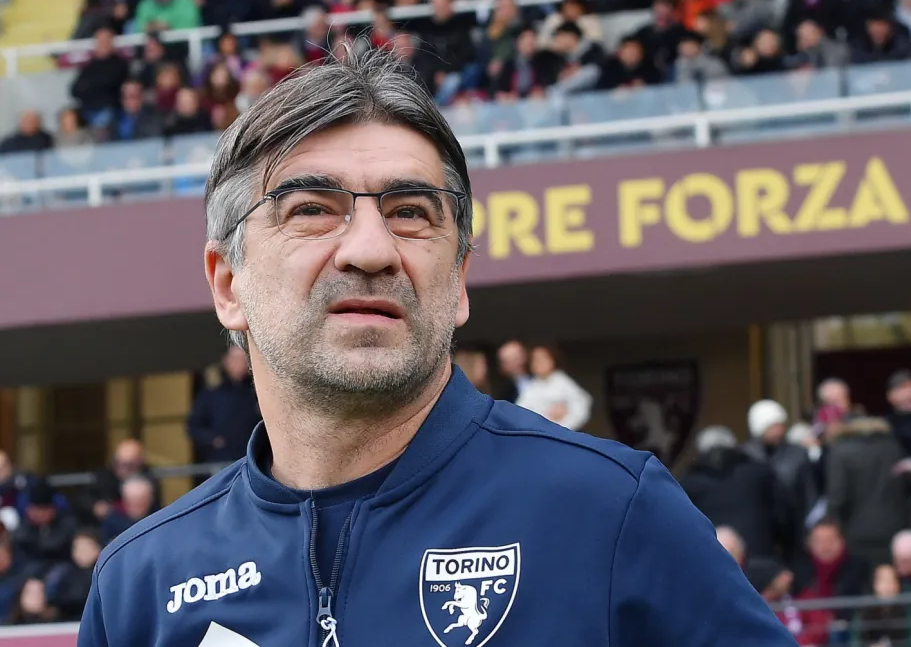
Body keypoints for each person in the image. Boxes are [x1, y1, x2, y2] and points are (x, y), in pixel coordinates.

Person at [79, 47, 796, 647]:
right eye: (310, 209)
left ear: (456, 281)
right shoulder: (140, 585)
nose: (368, 249)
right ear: (227, 282)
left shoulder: (611, 512)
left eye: (411, 213)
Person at [680, 426, 795, 563]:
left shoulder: (688, 483)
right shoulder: (758, 472)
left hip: (712, 563)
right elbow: (783, 514)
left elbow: (683, 530)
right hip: (760, 561)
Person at [825, 417, 911, 567]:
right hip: (895, 525)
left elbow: (837, 495)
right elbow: (909, 488)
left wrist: (832, 524)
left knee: (863, 581)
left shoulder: (840, 450)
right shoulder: (894, 447)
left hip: (856, 528)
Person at [744, 400, 819, 539]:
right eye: (772, 427)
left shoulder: (798, 454)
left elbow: (809, 493)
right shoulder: (746, 456)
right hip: (759, 527)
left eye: (780, 425)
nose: (778, 431)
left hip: (794, 526)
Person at [188, 346, 263, 465]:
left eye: (243, 360)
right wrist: (213, 440)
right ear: (226, 361)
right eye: (235, 359)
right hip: (221, 460)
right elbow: (194, 426)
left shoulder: (257, 392)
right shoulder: (211, 394)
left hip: (254, 458)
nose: (240, 364)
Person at [514, 345, 593, 431]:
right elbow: (521, 414)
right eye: (535, 360)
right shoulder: (530, 388)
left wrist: (564, 423)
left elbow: (581, 405)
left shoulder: (563, 382)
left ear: (552, 360)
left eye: (544, 358)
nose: (540, 363)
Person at [852, 564, 911, 647]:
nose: (887, 586)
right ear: (875, 585)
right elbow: (856, 641)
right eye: (883, 581)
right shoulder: (864, 612)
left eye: (891, 581)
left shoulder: (909, 611)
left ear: (898, 585)